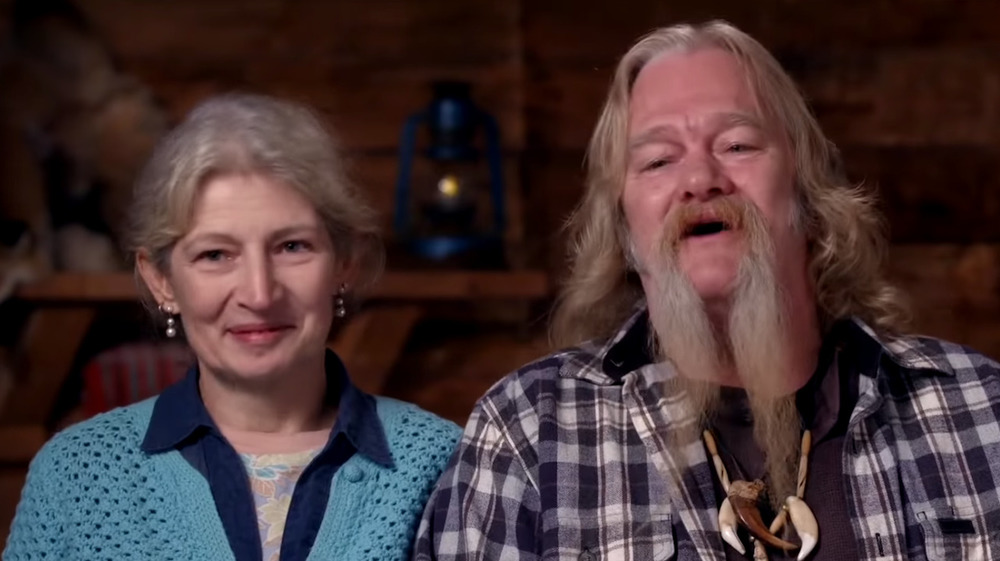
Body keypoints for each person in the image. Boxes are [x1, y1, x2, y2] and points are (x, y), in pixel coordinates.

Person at [414, 19, 1000, 561]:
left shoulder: (979, 411)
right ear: (624, 229)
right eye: (658, 161)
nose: (700, 180)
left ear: (806, 192)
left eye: (738, 145)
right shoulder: (529, 435)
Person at [4, 93, 461, 561]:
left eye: (292, 247)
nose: (259, 294)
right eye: (215, 255)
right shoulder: (76, 475)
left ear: (344, 262)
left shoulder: (442, 463)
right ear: (161, 280)